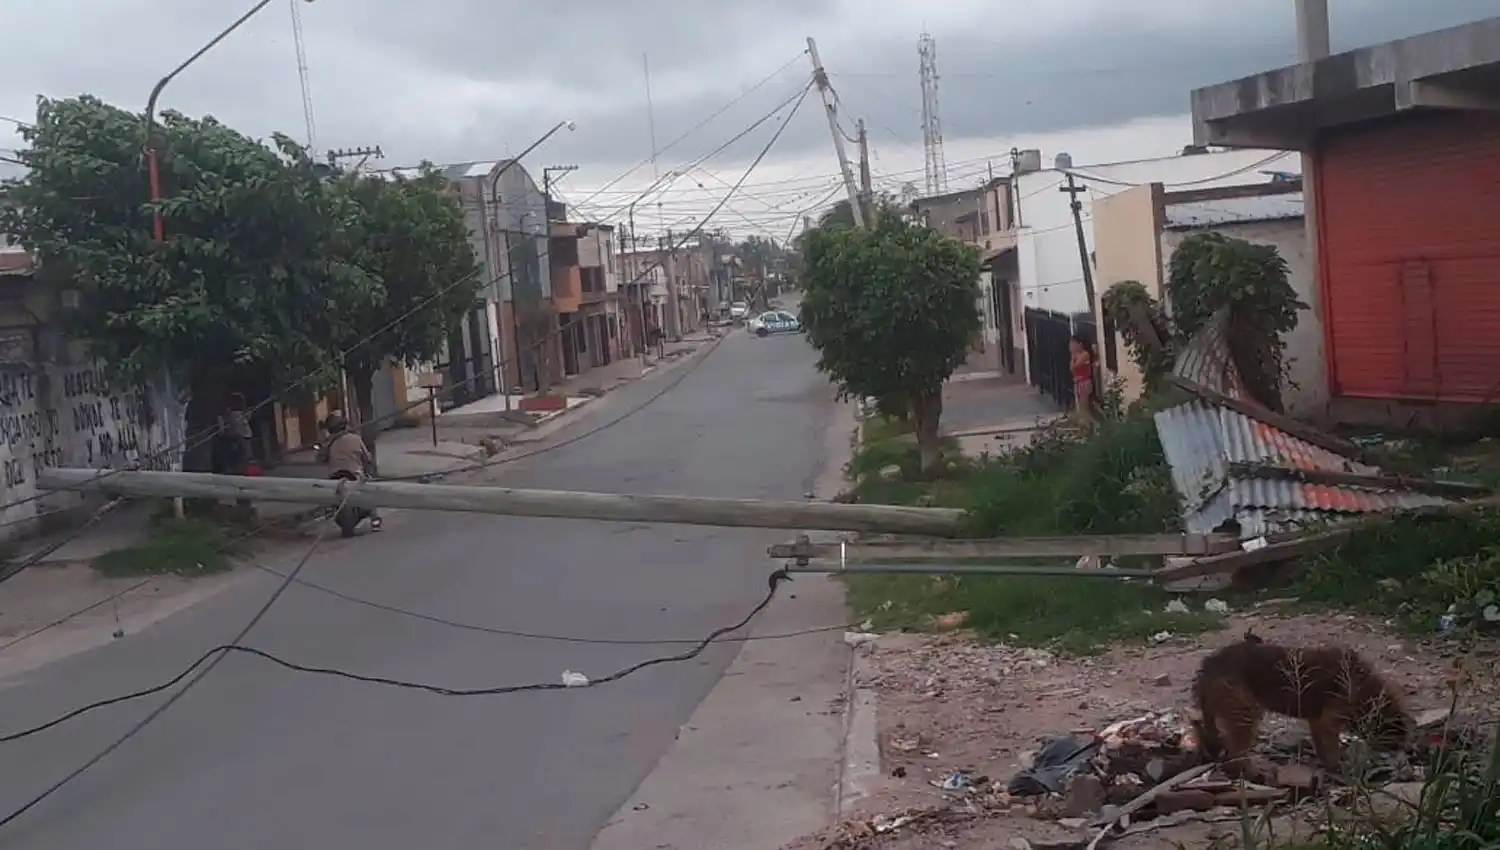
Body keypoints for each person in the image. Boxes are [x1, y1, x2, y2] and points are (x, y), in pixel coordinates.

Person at [318, 411, 381, 531]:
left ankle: (330, 511)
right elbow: (367, 458)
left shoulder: (328, 442)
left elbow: (320, 459)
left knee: (329, 498)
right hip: (354, 474)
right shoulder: (355, 439)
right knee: (369, 491)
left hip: (334, 478)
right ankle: (375, 519)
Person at [1069, 334, 1096, 426]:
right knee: (1080, 406)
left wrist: (1073, 357)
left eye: (1073, 344)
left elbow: (1075, 367)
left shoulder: (1084, 354)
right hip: (1078, 382)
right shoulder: (1076, 356)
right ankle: (1084, 425)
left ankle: (1090, 425)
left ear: (1079, 344)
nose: (1071, 347)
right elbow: (1072, 369)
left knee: (1085, 406)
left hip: (1084, 382)